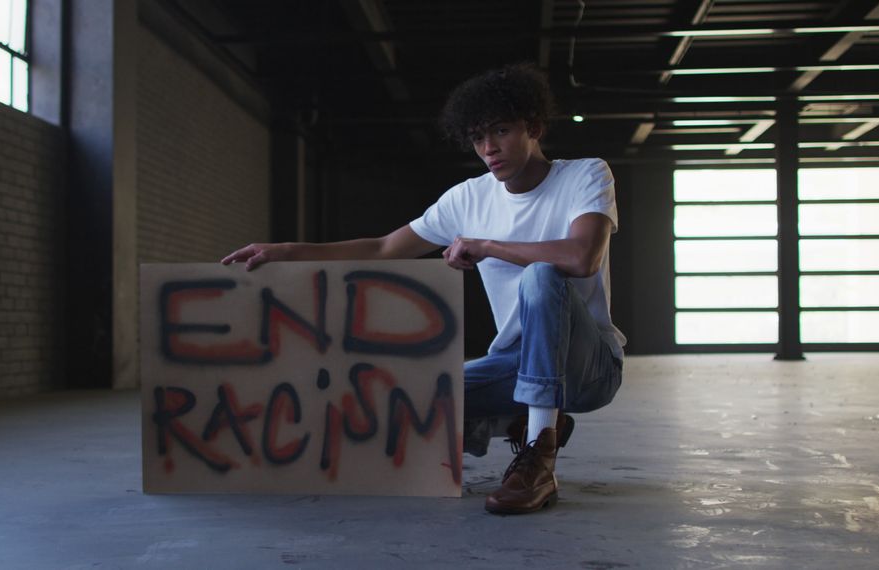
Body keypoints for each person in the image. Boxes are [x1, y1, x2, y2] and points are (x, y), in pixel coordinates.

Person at [222, 63, 625, 515]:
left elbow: (580, 257)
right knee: (407, 398)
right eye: (477, 138)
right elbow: (382, 248)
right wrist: (286, 250)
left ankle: (539, 457)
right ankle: (525, 414)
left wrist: (487, 244)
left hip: (590, 366)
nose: (488, 148)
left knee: (542, 275)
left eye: (502, 131)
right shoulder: (468, 198)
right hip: (515, 362)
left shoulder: (586, 175)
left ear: (532, 127)